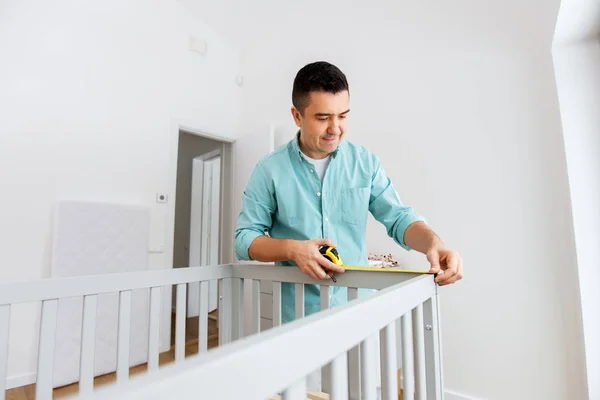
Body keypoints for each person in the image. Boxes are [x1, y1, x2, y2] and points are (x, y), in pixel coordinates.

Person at [235, 61, 463, 323]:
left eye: (342, 116)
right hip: (297, 316)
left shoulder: (364, 163)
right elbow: (244, 239)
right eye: (323, 118)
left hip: (357, 310)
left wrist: (434, 244)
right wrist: (292, 249)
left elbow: (399, 218)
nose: (335, 129)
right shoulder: (269, 170)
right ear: (297, 116)